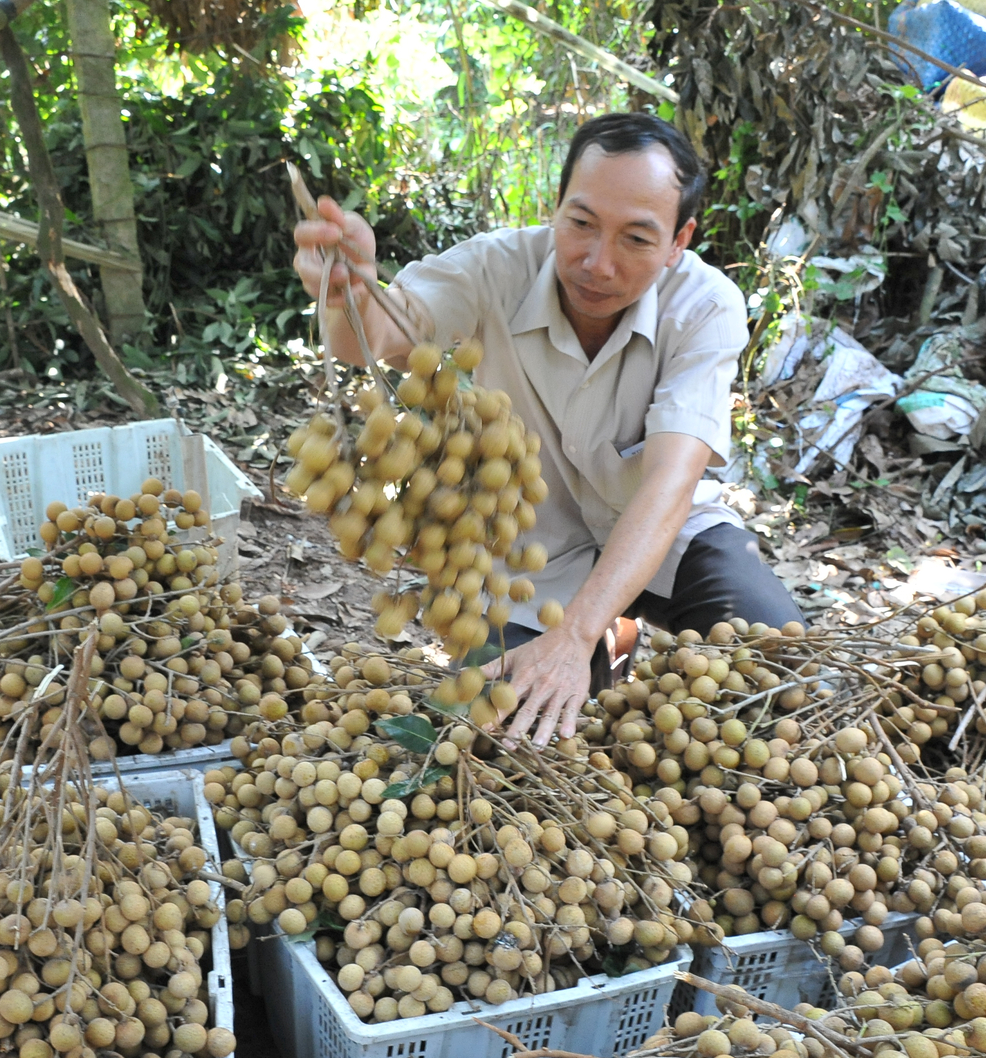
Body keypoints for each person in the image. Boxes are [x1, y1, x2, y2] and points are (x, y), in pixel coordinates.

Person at [292, 111, 802, 746]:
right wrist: (347, 291)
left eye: (637, 240)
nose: (597, 262)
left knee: (787, 674)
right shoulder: (494, 269)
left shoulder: (704, 305)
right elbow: (375, 337)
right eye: (581, 223)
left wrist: (576, 633)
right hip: (538, 557)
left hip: (669, 532)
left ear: (680, 239)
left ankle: (607, 630)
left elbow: (671, 481)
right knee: (495, 734)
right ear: (555, 206)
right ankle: (612, 634)